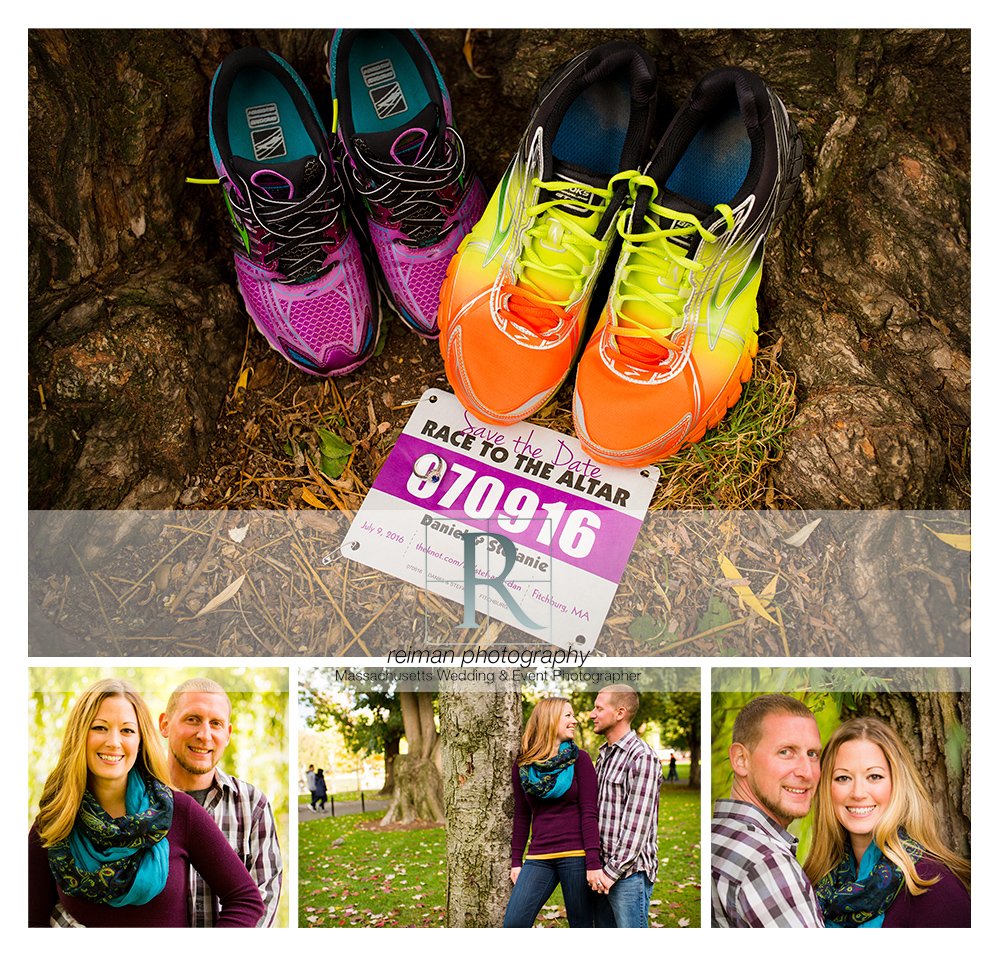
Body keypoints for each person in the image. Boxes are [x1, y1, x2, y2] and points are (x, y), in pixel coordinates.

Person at [28, 678, 264, 927]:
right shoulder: (55, 822)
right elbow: (30, 921)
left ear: (140, 741)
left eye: (127, 730)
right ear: (79, 735)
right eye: (99, 727)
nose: (114, 742)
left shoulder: (178, 811)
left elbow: (246, 899)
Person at [804, 716, 971, 927]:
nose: (858, 793)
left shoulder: (934, 886)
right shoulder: (815, 885)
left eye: (874, 776)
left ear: (898, 785)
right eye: (843, 778)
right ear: (827, 789)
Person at [159, 677, 283, 927]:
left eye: (215, 723)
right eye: (192, 719)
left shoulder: (252, 805)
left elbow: (263, 901)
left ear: (227, 734)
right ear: (165, 724)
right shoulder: (133, 798)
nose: (204, 735)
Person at [711, 693, 824, 927]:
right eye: (786, 752)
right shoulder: (767, 864)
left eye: (812, 754)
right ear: (741, 759)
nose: (807, 772)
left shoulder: (717, 834)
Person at [503, 697, 599, 927]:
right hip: (539, 857)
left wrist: (593, 863)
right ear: (550, 719)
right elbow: (522, 816)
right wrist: (517, 861)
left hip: (576, 855)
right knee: (513, 924)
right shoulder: (524, 766)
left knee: (582, 927)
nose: (574, 721)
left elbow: (589, 812)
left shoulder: (580, 760)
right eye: (568, 715)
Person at [587, 684, 661, 928]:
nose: (591, 714)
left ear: (619, 713)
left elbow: (636, 827)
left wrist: (610, 874)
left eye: (599, 708)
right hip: (600, 872)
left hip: (628, 875)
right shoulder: (605, 755)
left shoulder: (642, 757)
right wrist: (597, 868)